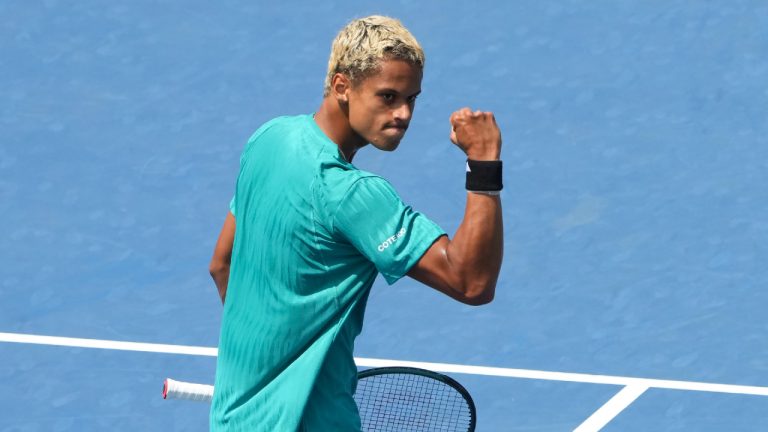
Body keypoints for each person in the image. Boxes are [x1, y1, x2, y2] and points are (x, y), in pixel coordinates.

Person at [207, 15, 503, 431]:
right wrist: (484, 165)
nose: (403, 114)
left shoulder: (268, 140)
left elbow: (222, 266)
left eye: (411, 98)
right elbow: (471, 281)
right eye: (388, 97)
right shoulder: (353, 194)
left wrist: (269, 364)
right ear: (343, 86)